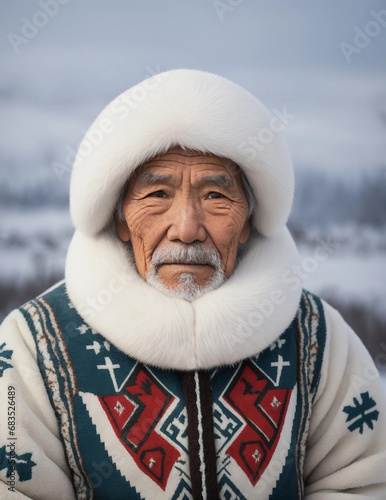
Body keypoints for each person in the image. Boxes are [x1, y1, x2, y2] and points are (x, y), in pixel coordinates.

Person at [0, 69, 385, 500]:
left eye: (215, 196)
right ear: (121, 218)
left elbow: (366, 482)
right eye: (158, 194)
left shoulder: (320, 341)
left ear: (247, 224)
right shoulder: (30, 350)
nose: (186, 228)